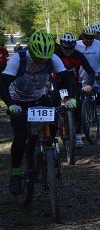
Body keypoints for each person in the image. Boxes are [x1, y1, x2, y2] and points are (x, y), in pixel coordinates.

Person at [1, 30, 77, 195]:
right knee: (21, 138)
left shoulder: (53, 58)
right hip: (18, 100)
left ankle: (45, 150)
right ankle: (15, 173)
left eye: (45, 58)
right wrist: (10, 104)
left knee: (55, 119)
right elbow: (3, 84)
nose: (42, 61)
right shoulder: (18, 59)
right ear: (31, 50)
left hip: (38, 97)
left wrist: (68, 98)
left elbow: (66, 79)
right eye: (38, 57)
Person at [54, 32, 95, 148]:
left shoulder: (78, 55)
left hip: (72, 85)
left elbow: (91, 72)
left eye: (71, 48)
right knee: (53, 105)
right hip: (57, 83)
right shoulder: (55, 54)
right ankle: (53, 133)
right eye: (65, 48)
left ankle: (77, 136)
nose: (68, 51)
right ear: (61, 46)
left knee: (77, 107)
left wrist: (89, 85)